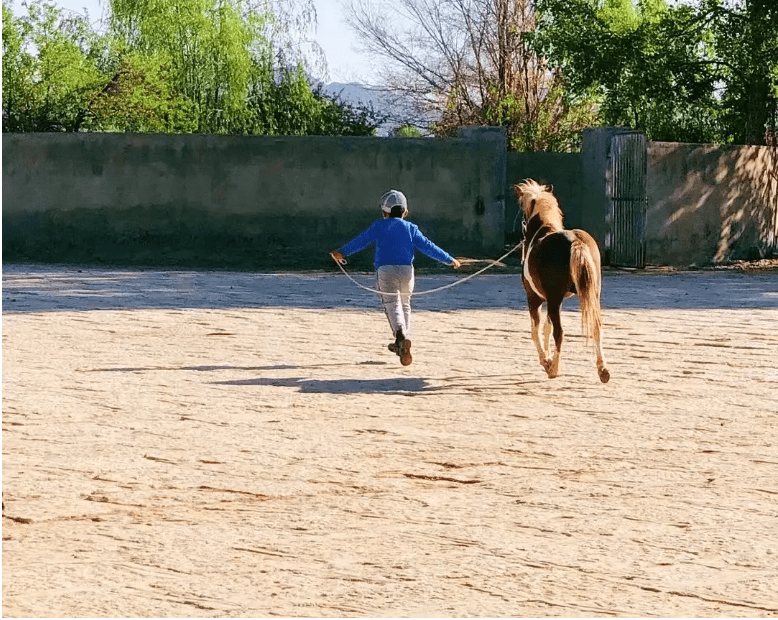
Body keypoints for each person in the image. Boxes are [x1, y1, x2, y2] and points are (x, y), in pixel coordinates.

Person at [330, 189, 461, 366]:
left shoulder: (379, 225)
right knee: (405, 304)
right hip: (408, 271)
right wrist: (450, 260)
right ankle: (403, 341)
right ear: (405, 212)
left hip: (385, 270)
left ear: (385, 212)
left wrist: (341, 252)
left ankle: (400, 335)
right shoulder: (411, 228)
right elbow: (428, 246)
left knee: (392, 304)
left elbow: (361, 240)